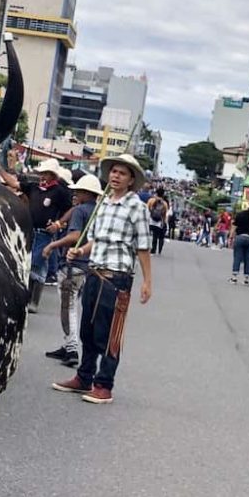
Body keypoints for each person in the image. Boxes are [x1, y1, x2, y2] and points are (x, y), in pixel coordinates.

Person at [52, 153, 152, 405]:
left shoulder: (137, 207)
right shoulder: (103, 204)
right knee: (87, 328)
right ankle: (84, 376)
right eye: (114, 171)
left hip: (117, 278)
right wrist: (80, 250)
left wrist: (147, 281)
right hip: (94, 273)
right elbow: (94, 239)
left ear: (131, 180)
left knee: (109, 335)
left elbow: (143, 246)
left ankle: (104, 384)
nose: (116, 176)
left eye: (122, 173)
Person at [43, 173, 103, 367]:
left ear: (86, 193)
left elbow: (75, 235)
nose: (75, 194)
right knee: (74, 306)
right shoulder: (99, 211)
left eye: (78, 191)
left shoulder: (80, 211)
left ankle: (71, 347)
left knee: (68, 308)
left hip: (73, 264)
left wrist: (53, 245)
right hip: (90, 265)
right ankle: (67, 344)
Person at [1, 157, 73, 313]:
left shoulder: (60, 191)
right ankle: (25, 297)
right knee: (26, 264)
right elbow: (13, 183)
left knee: (38, 265)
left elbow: (71, 209)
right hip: (28, 231)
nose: (43, 176)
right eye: (42, 173)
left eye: (46, 173)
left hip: (44, 233)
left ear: (53, 175)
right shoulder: (33, 187)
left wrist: (59, 223)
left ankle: (34, 301)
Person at [146, 187, 169, 255]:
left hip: (150, 220)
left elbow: (147, 209)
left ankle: (145, 247)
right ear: (163, 194)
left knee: (147, 234)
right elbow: (165, 214)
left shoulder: (151, 200)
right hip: (158, 222)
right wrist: (164, 222)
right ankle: (153, 250)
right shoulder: (164, 203)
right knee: (155, 236)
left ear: (156, 193)